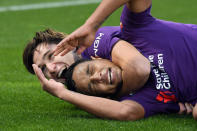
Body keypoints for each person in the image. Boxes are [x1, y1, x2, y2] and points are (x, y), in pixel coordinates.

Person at [32, 58, 197, 121]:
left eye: (91, 70)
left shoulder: (110, 41)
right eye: (92, 86)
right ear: (106, 97)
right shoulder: (138, 99)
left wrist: (91, 24)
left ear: (98, 58)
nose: (98, 77)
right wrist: (63, 93)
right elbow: (125, 111)